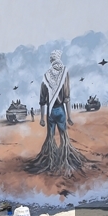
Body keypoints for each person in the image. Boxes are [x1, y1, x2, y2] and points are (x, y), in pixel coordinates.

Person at [25, 49, 91, 177]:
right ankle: (64, 160)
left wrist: (43, 118)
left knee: (50, 136)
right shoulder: (64, 73)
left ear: (51, 60)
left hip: (49, 111)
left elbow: (42, 100)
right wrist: (69, 116)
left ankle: (51, 160)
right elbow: (67, 97)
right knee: (63, 136)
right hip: (60, 110)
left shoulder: (46, 76)